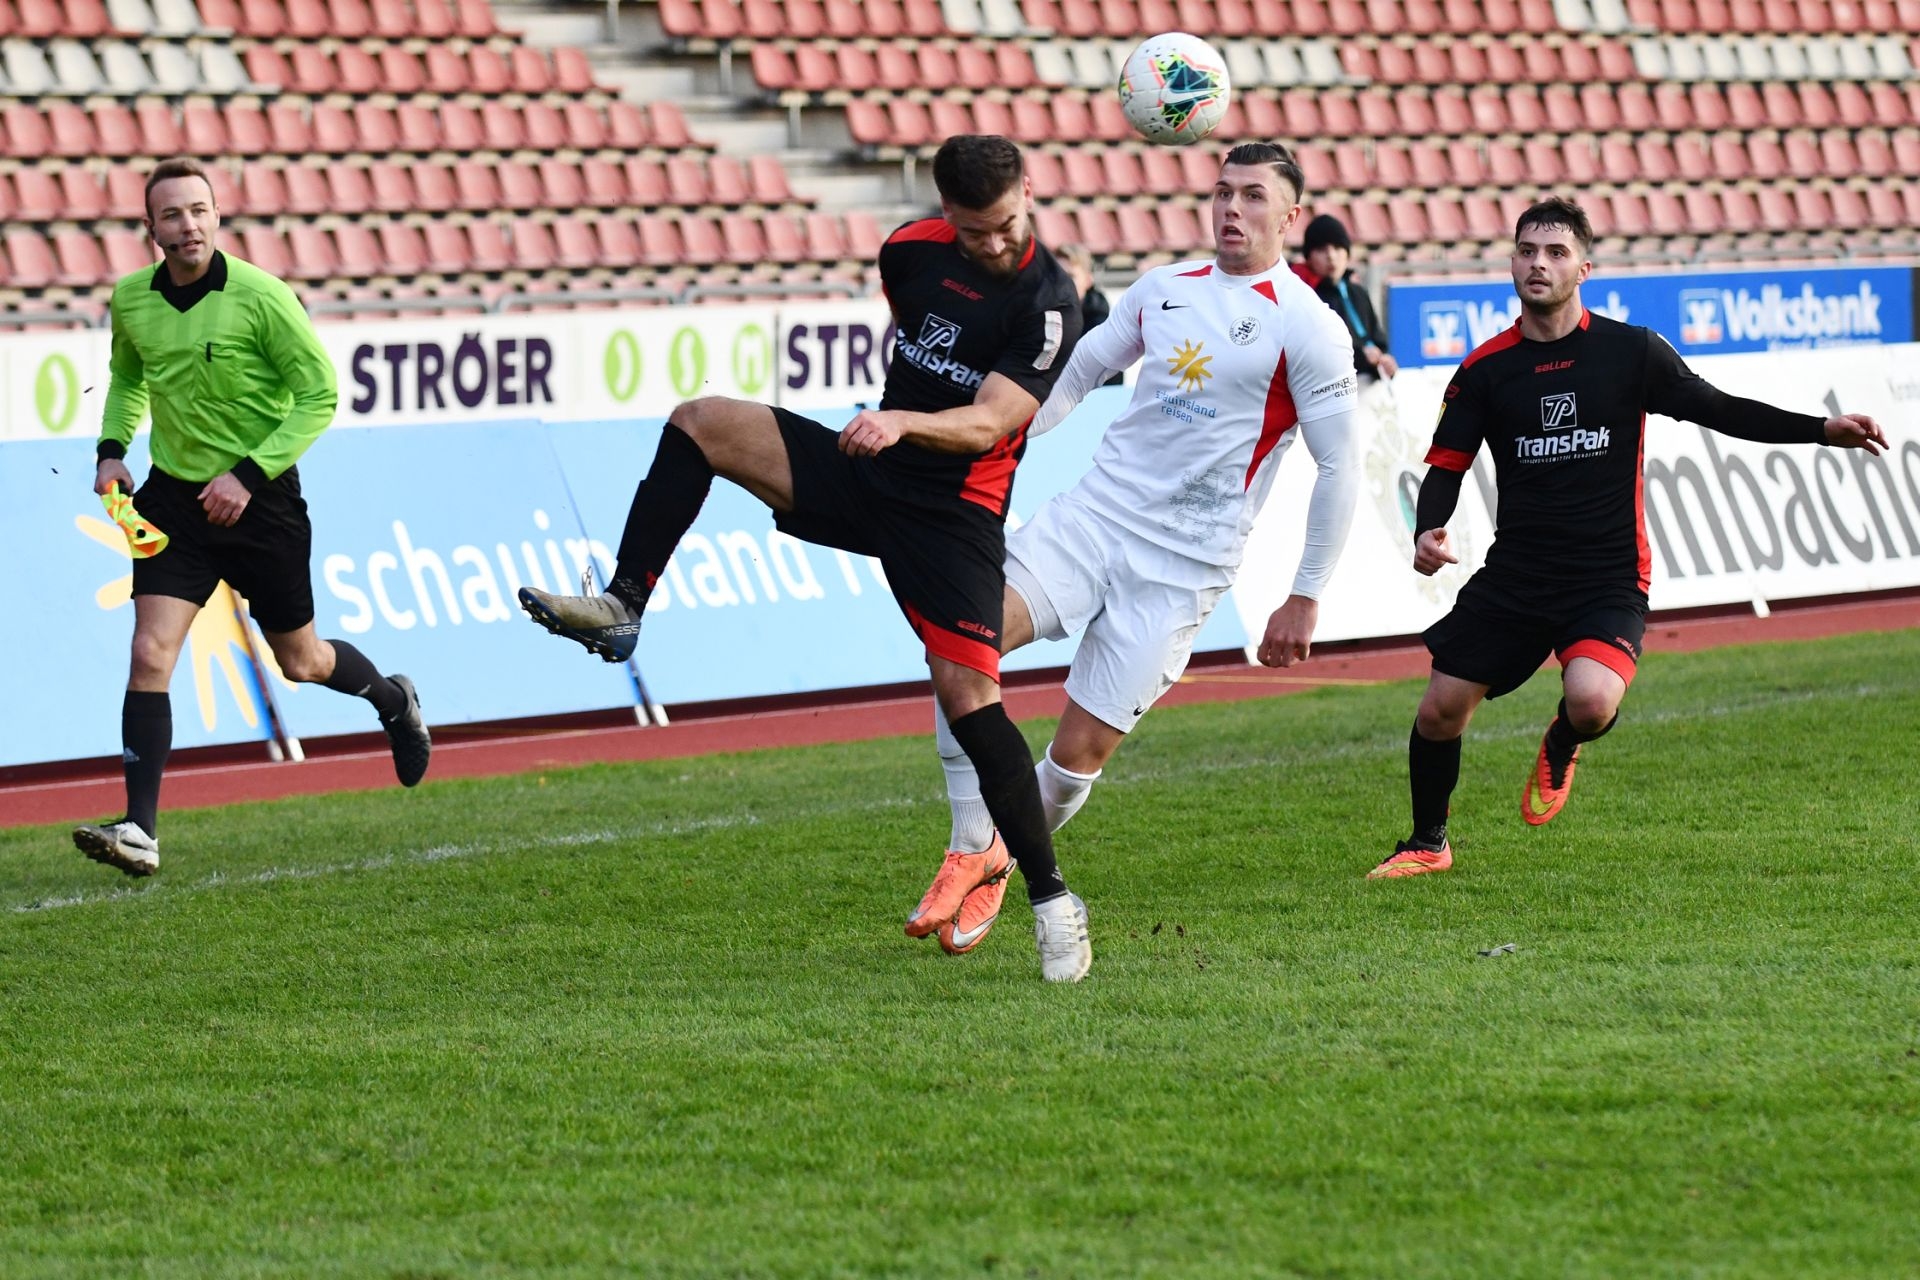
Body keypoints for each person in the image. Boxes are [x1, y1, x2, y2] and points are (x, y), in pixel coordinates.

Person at [517, 135, 1094, 981]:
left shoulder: (1047, 305)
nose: (998, 243)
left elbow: (988, 424)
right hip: (871, 474)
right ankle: (623, 604)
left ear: (1030, 193)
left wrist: (901, 421)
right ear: (946, 213)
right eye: (978, 231)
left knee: (969, 699)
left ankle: (1052, 902)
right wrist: (892, 423)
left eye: (1008, 224)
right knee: (702, 422)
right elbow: (918, 335)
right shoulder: (908, 252)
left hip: (954, 516)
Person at [911, 141, 1363, 955]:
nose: (1232, 208)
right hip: (1094, 518)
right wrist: (990, 438)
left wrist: (1305, 592)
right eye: (1223, 191)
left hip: (1185, 566)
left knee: (1076, 756)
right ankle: (968, 843)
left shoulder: (1310, 327)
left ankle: (1001, 859)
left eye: (1254, 196)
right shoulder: (1164, 288)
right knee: (962, 641)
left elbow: (1341, 466)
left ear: (1291, 216)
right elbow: (1074, 376)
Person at [1370, 197, 1887, 879]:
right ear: (1512, 262)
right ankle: (1427, 843)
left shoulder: (1630, 351)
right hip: (1517, 575)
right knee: (1440, 710)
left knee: (1590, 703)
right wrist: (1427, 530)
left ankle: (1564, 738)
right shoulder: (1485, 370)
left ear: (1584, 268)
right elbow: (1446, 466)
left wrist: (1819, 429)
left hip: (1606, 574)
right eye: (1527, 251)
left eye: (1556, 253)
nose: (1538, 264)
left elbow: (1720, 409)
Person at [77, 157, 431, 878]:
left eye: (198, 210)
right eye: (172, 214)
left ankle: (394, 700)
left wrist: (246, 474)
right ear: (150, 229)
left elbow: (320, 395)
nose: (188, 225)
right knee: (149, 653)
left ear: (217, 216)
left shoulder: (263, 297)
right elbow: (127, 376)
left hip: (260, 502)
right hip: (174, 503)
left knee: (302, 662)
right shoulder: (131, 299)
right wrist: (112, 450)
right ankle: (140, 830)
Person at [1301, 213, 1397, 385]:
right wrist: (1362, 357)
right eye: (1321, 250)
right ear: (1308, 257)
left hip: (1369, 388)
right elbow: (1318, 354)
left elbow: (1377, 338)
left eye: (1338, 248)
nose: (1331, 256)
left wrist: (1384, 361)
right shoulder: (1307, 297)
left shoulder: (1358, 292)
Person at [1054, 243, 1123, 388]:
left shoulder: (1102, 327)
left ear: (1088, 280)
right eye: (1057, 276)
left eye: (1071, 276)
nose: (1062, 283)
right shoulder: (1041, 316)